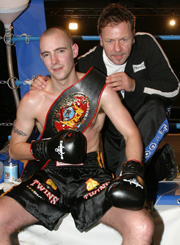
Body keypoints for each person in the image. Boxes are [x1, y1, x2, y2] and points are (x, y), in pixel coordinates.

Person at [0, 27, 153, 245]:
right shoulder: (33, 100)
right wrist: (47, 148)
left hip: (92, 174)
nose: (54, 60)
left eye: (60, 51)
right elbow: (15, 148)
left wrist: (133, 171)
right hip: (50, 175)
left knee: (142, 226)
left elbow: (131, 134)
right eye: (46, 54)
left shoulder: (100, 91)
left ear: (74, 50)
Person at [32, 3, 180, 203]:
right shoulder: (88, 63)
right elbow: (63, 76)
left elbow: (174, 88)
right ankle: (161, 162)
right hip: (112, 130)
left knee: (124, 170)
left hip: (147, 120)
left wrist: (135, 84)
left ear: (133, 36)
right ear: (101, 40)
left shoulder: (146, 44)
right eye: (110, 41)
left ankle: (128, 179)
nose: (117, 49)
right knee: (109, 173)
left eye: (124, 39)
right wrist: (43, 81)